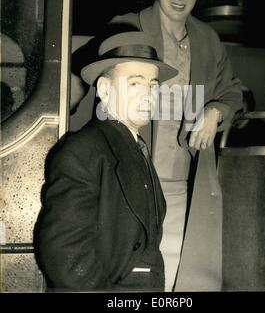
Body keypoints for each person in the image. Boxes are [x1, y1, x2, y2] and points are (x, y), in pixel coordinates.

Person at [111, 0, 243, 291]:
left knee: (175, 275)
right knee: (129, 276)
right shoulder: (127, 27)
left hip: (184, 181)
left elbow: (231, 91)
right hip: (131, 177)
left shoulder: (208, 39)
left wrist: (215, 112)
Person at [35, 31, 178, 292]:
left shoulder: (135, 147)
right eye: (135, 83)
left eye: (153, 85)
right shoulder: (83, 150)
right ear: (104, 89)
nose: (148, 94)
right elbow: (64, 253)